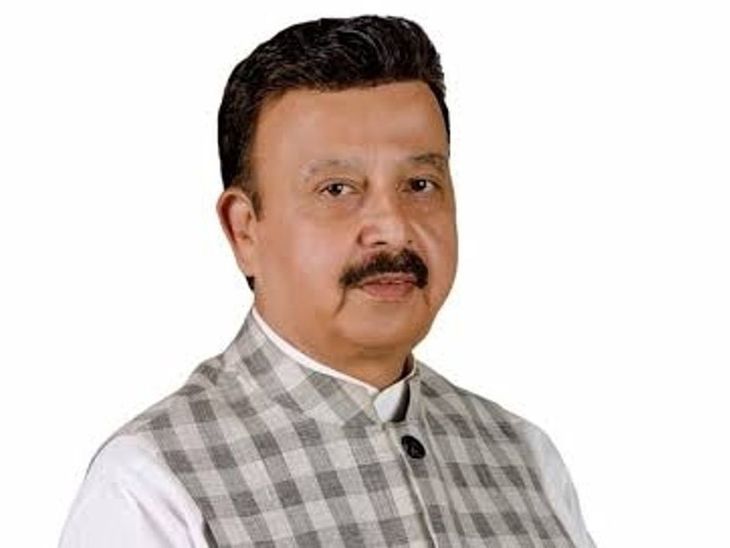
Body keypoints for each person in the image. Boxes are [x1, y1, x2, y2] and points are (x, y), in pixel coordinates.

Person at [60, 15, 595, 547]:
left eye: (419, 184)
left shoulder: (526, 460)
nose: (393, 228)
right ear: (245, 230)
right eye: (337, 189)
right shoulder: (152, 489)